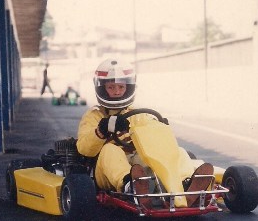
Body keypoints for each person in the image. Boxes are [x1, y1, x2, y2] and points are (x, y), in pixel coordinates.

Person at [76, 58, 213, 209]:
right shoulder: (94, 116)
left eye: (121, 87)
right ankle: (130, 185)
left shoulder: (138, 114)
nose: (116, 91)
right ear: (101, 88)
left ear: (129, 87)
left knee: (177, 151)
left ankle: (184, 184)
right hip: (107, 170)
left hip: (139, 164)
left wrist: (160, 128)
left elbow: (153, 137)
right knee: (110, 150)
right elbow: (84, 149)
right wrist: (101, 130)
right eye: (111, 87)